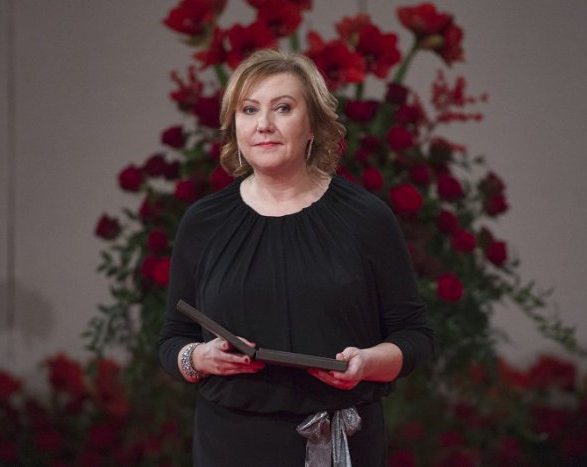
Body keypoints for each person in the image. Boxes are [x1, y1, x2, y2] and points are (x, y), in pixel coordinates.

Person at [159, 48, 433, 467]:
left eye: (283, 108)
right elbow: (172, 340)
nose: (264, 124)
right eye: (249, 110)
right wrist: (197, 358)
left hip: (340, 442)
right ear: (234, 125)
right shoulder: (203, 222)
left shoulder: (366, 218)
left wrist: (366, 363)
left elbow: (414, 336)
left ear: (313, 126)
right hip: (228, 445)